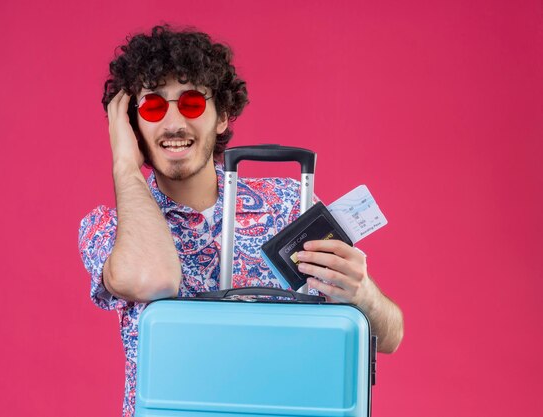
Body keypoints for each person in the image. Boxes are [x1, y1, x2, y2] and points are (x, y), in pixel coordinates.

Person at [78, 24, 404, 417]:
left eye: (192, 104)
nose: (173, 123)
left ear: (222, 117)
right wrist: (124, 165)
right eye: (152, 107)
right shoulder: (108, 229)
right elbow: (154, 280)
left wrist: (363, 294)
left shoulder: (289, 203)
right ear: (133, 126)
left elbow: (391, 336)